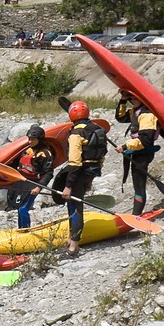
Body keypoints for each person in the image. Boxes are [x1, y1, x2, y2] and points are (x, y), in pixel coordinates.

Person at [55, 100, 106, 255]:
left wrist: (68, 186)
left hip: (79, 172)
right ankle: (72, 239)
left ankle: (74, 245)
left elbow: (75, 162)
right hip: (93, 170)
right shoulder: (96, 128)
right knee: (75, 203)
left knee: (75, 206)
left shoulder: (76, 133)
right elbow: (102, 154)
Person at [119, 94, 160, 216]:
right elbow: (120, 117)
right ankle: (136, 214)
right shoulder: (136, 111)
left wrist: (125, 146)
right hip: (137, 151)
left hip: (144, 153)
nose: (131, 101)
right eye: (130, 98)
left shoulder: (147, 114)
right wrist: (123, 100)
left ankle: (136, 215)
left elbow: (145, 141)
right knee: (137, 183)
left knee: (139, 184)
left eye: (134, 98)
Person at [8, 124, 55, 229]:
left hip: (34, 184)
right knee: (19, 207)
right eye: (29, 139)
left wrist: (39, 187)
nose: (30, 141)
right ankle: (21, 229)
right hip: (22, 182)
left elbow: (49, 173)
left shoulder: (45, 154)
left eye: (33, 139)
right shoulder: (27, 151)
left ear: (40, 139)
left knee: (23, 209)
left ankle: (26, 230)